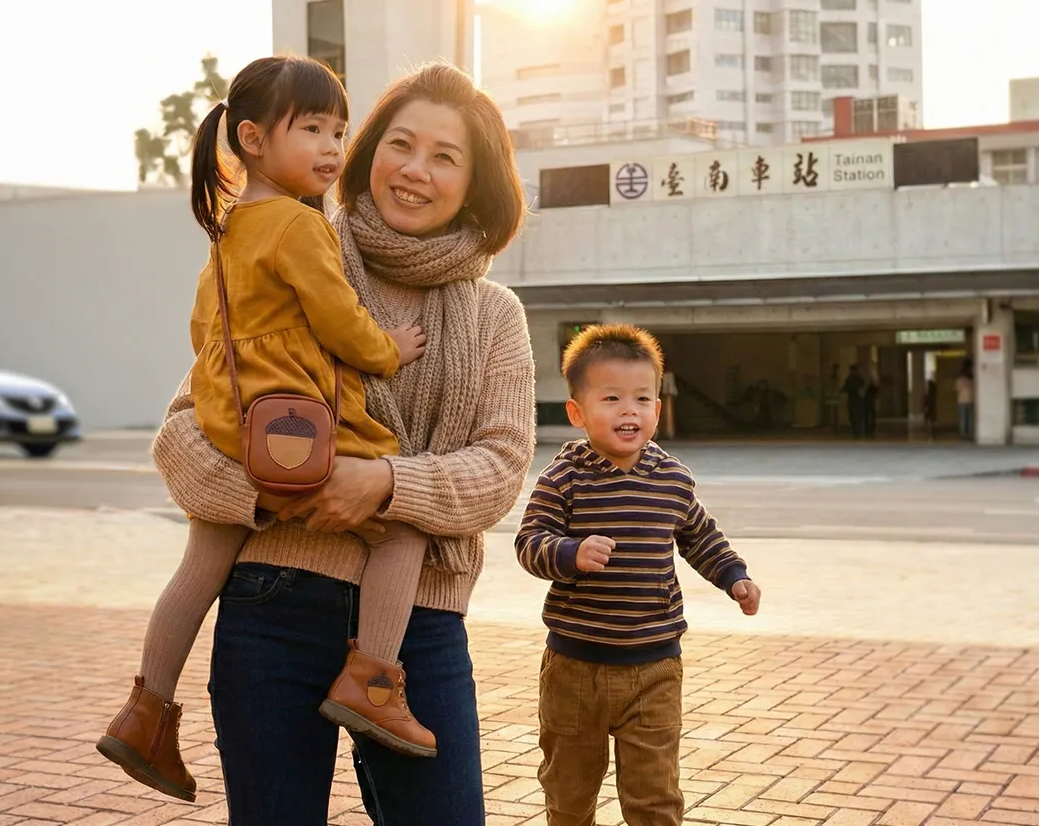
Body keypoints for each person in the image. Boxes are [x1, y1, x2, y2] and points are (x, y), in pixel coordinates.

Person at [143, 63, 535, 825]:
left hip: (419, 624)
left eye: (445, 157)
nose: (415, 171)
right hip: (273, 603)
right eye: (400, 144)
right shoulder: (288, 245)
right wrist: (279, 487)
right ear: (366, 153)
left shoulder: (495, 315)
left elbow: (500, 470)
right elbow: (186, 428)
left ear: (475, 182)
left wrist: (384, 485)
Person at [97, 55, 440, 802]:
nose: (330, 147)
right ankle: (374, 682)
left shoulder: (227, 231)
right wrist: (389, 349)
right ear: (251, 138)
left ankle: (145, 712)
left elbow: (202, 331)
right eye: (312, 128)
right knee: (405, 521)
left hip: (232, 422)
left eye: (340, 131)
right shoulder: (296, 223)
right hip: (300, 429)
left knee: (200, 566)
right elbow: (338, 316)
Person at [515, 324, 762, 826]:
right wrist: (569, 552)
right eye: (611, 398)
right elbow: (529, 541)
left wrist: (733, 575)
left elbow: (699, 536)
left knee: (654, 797)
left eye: (642, 398)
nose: (630, 410)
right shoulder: (564, 476)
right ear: (577, 412)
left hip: (654, 669)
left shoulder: (672, 477)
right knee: (569, 791)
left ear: (657, 407)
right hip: (574, 669)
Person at [841, 363, 866, 439]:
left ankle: (855, 431)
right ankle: (858, 431)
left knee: (853, 416)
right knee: (857, 416)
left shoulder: (849, 379)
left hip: (853, 400)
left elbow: (844, 389)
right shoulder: (859, 379)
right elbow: (862, 387)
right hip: (857, 400)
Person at [956, 360, 975, 440]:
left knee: (963, 418)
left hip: (961, 401)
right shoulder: (972, 381)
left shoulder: (959, 381)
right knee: (970, 418)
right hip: (971, 400)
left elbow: (956, 389)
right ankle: (970, 433)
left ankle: (963, 433)